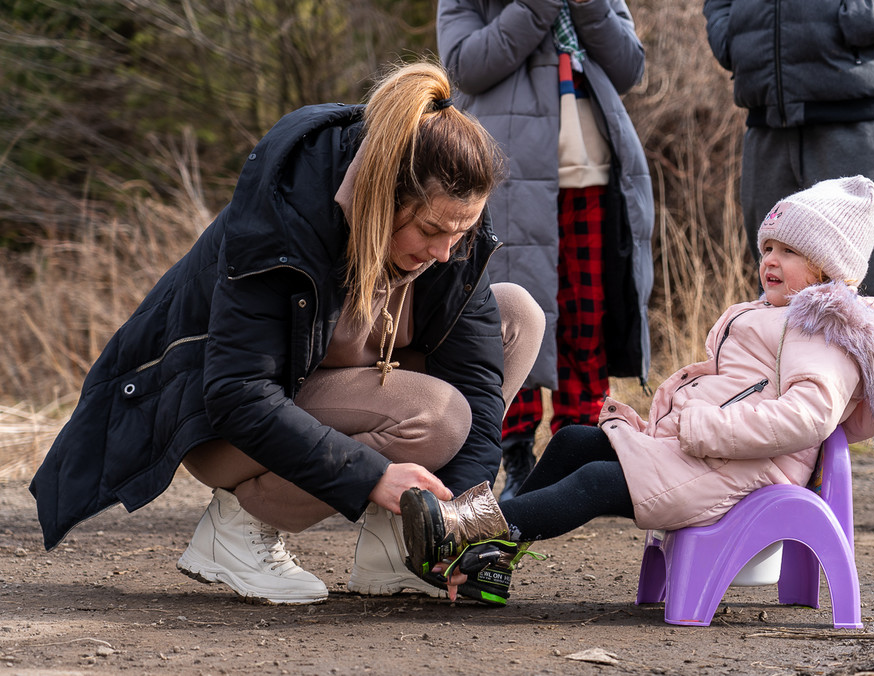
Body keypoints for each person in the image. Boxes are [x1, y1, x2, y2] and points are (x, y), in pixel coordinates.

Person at [28, 60, 546, 605]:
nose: (444, 252)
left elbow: (479, 384)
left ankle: (395, 544)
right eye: (430, 230)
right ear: (379, 195)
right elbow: (236, 394)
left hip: (333, 391)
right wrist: (371, 477)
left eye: (460, 232)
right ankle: (237, 529)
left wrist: (458, 524)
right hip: (222, 424)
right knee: (437, 415)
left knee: (516, 316)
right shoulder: (285, 213)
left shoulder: (452, 226)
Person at [400, 176, 874, 605]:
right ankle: (491, 565)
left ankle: (466, 533)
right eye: (767, 245)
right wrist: (663, 422)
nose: (769, 259)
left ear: (826, 271)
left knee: (593, 481)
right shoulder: (776, 315)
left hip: (743, 470)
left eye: (789, 251)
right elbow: (736, 387)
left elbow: (809, 417)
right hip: (708, 454)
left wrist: (702, 426)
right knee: (572, 442)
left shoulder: (821, 331)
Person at [702, 0, 874, 532]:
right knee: (775, 297)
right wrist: (734, 33)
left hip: (862, 108)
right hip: (769, 112)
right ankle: (779, 488)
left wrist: (860, 20)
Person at [437, 0, 654, 502]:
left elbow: (629, 66)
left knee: (586, 319)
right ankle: (514, 460)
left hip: (593, 176)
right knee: (507, 321)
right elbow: (465, 66)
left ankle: (579, 455)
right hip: (506, 179)